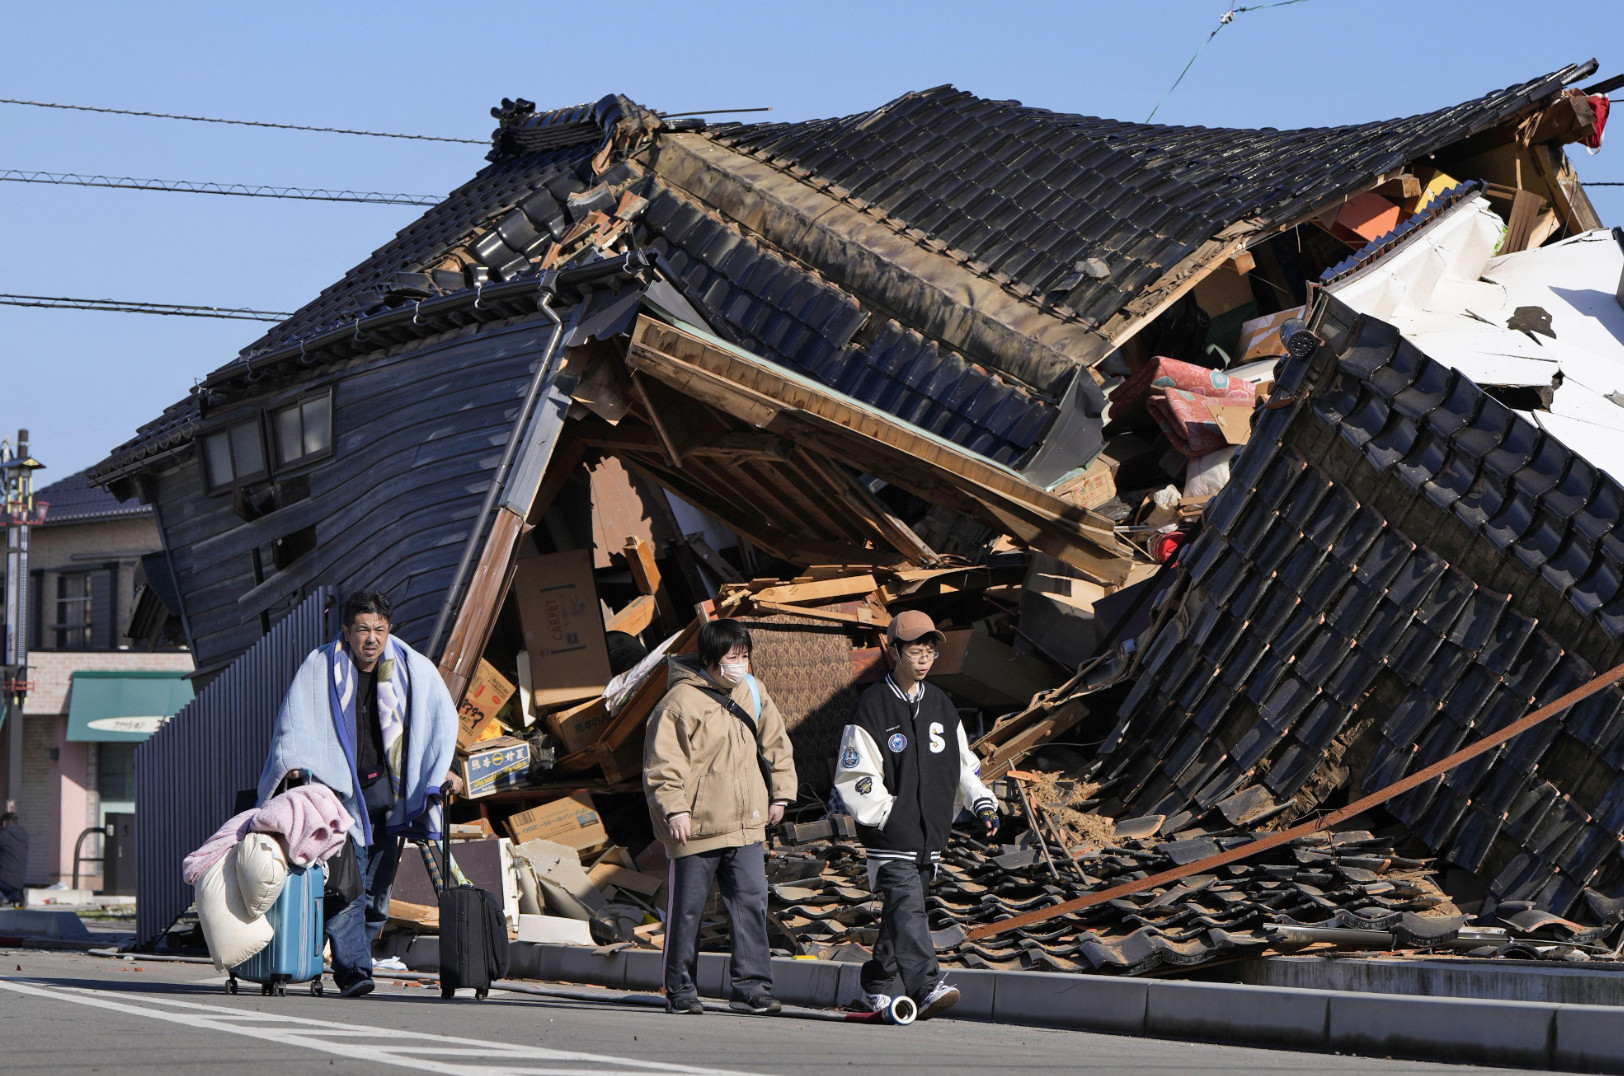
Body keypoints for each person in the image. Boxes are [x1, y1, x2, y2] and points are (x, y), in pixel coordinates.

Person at [258, 589, 458, 998]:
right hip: (338, 796)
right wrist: (295, 762)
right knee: (348, 884)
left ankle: (356, 957)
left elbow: (436, 724)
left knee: (378, 895)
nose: (371, 638)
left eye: (379, 630)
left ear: (389, 630)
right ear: (346, 632)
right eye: (363, 629)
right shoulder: (320, 668)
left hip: (389, 793)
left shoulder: (410, 670)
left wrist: (443, 770)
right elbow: (295, 721)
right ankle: (353, 970)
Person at [832, 610, 999, 1021]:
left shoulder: (941, 705)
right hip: (890, 836)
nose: (924, 659)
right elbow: (855, 775)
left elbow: (963, 764)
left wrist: (982, 801)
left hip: (931, 836)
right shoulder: (871, 707)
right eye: (915, 651)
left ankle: (875, 987)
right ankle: (926, 986)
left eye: (930, 651)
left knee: (900, 915)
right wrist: (888, 815)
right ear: (893, 651)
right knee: (908, 908)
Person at [643, 618, 796, 1015]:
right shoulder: (679, 703)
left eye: (745, 656)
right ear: (711, 659)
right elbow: (663, 766)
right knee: (688, 910)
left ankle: (752, 989)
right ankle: (680, 988)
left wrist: (781, 794)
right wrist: (675, 809)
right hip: (696, 827)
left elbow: (777, 743)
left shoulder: (753, 691)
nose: (740, 664)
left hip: (746, 823)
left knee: (751, 904)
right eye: (733, 657)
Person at [0, 811, 28, 905]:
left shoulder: (3, 834)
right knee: (11, 886)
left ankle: (2, 897)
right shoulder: (23, 835)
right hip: (19, 880)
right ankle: (17, 897)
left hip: (4, 879)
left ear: (4, 823)